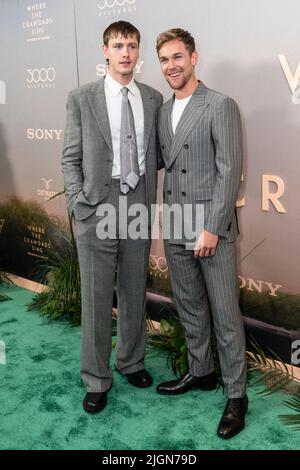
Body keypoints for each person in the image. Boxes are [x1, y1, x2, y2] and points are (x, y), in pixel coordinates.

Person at [62, 21, 163, 413]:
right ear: (104, 51)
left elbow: (155, 155)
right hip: (96, 207)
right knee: (97, 296)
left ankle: (131, 361)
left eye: (132, 46)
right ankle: (95, 378)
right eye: (118, 45)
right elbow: (70, 157)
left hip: (137, 200)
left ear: (138, 53)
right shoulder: (81, 98)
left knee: (135, 289)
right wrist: (78, 202)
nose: (125, 53)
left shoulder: (153, 98)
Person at [155, 28, 248, 439]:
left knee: (226, 316)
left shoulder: (219, 105)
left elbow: (230, 172)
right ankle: (201, 372)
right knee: (191, 308)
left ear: (195, 58)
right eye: (163, 60)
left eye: (177, 57)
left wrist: (212, 227)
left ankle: (237, 396)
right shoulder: (161, 110)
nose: (171, 66)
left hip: (210, 229)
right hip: (175, 223)